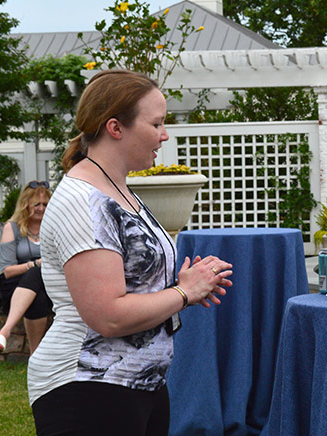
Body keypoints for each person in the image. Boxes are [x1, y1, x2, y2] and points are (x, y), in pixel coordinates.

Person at [27, 69, 233, 436]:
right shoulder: (84, 202)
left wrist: (185, 283)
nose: (164, 135)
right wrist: (184, 293)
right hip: (86, 387)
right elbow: (108, 316)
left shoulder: (118, 190)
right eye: (156, 123)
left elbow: (135, 285)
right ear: (115, 128)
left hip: (137, 384)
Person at [0, 181, 52, 355]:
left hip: (49, 284)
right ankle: (35, 355)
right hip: (15, 286)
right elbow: (6, 271)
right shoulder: (13, 227)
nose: (41, 208)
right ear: (25, 205)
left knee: (38, 277)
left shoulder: (53, 227)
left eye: (45, 204)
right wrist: (33, 264)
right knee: (37, 295)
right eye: (36, 204)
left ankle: (5, 331)